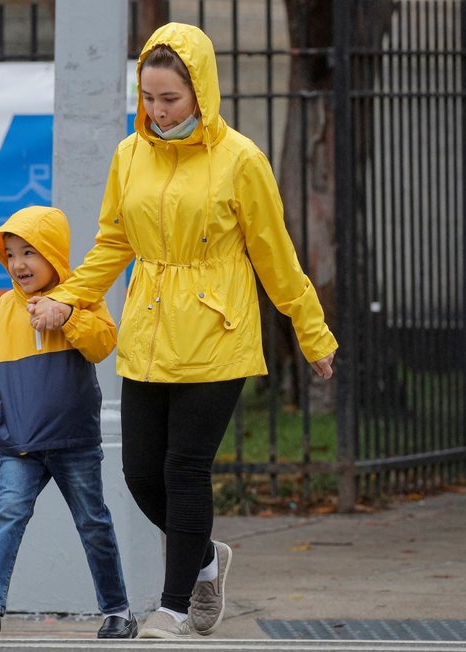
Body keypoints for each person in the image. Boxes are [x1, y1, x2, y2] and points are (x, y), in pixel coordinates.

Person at [28, 22, 337, 639]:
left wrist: (313, 333)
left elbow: (276, 256)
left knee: (184, 469)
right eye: (148, 97)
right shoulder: (129, 154)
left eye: (169, 98)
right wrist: (66, 299)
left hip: (219, 335)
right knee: (141, 474)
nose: (157, 110)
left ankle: (172, 608)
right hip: (148, 332)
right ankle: (203, 559)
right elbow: (112, 245)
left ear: (201, 90)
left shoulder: (241, 160)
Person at [0, 205, 137, 640]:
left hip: (73, 437)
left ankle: (117, 611)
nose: (18, 264)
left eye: (29, 252)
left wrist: (68, 316)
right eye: (11, 254)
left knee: (93, 521)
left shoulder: (80, 295)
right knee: (8, 513)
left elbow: (102, 344)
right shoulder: (2, 309)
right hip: (20, 439)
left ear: (53, 253)